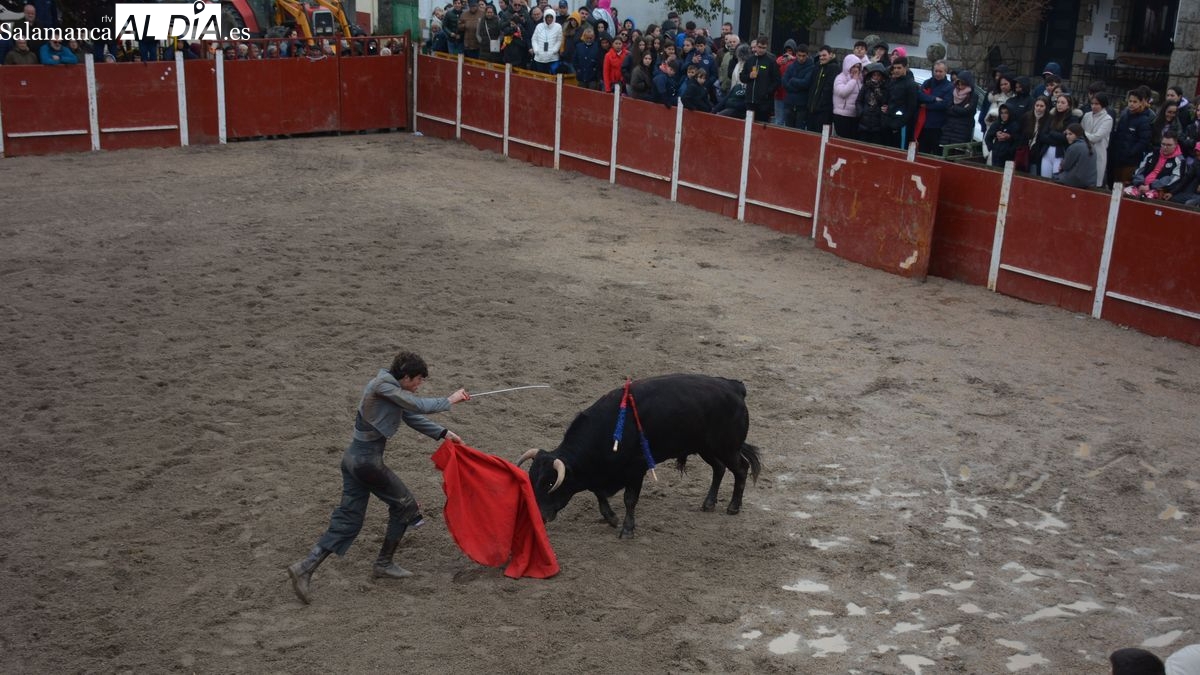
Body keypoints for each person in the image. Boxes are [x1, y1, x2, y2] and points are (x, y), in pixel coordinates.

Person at [287, 352, 471, 604]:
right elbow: (417, 406)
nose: (419, 385)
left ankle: (305, 567)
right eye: (418, 379)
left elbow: (409, 415)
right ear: (406, 377)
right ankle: (383, 563)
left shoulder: (387, 387)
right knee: (405, 505)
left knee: (349, 519)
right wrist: (450, 400)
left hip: (354, 460)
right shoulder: (383, 386)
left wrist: (444, 433)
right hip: (367, 463)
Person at [1109, 89, 1154, 184]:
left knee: (1125, 185)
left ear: (1141, 103)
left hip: (1131, 162)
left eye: (1135, 102)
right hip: (1118, 158)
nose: (1131, 104)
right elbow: (1118, 135)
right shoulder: (1124, 116)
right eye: (1130, 101)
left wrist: (1130, 153)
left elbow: (1143, 141)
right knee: (1115, 184)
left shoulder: (1144, 120)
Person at [1124, 130, 1185, 200]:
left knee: (1144, 199)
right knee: (1122, 194)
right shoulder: (1153, 153)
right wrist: (1140, 184)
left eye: (1169, 145)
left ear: (1176, 145)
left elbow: (1172, 179)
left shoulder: (1180, 161)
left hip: (1157, 191)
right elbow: (1140, 170)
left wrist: (1150, 186)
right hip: (1140, 186)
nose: (1165, 147)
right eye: (1163, 144)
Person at [882, 55, 919, 149]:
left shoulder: (911, 85)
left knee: (900, 151)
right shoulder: (892, 83)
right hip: (889, 124)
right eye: (894, 68)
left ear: (905, 68)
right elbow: (887, 101)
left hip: (903, 126)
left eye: (899, 68)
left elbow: (912, 108)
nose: (896, 70)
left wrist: (899, 124)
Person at [917, 60, 953, 154]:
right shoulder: (927, 83)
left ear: (945, 72)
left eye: (940, 71)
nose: (937, 74)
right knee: (922, 153)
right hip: (924, 125)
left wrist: (927, 105)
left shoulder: (949, 86)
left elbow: (944, 104)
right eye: (936, 71)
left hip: (939, 127)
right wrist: (934, 99)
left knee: (937, 153)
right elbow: (920, 96)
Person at [740, 36, 778, 123]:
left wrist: (767, 92)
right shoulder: (750, 60)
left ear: (766, 47)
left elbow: (777, 80)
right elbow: (742, 77)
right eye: (759, 47)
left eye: (764, 48)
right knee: (749, 125)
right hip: (750, 101)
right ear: (756, 46)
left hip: (764, 102)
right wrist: (749, 76)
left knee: (762, 126)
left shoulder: (771, 61)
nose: (761, 50)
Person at [1082, 92, 1114, 187]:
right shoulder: (1087, 115)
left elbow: (1095, 138)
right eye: (1092, 104)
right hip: (1084, 151)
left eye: (1097, 104)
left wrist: (1082, 133)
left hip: (1098, 153)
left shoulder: (1108, 119)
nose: (1094, 106)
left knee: (1095, 182)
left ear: (1103, 105)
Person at [940, 69, 978, 147]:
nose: (960, 87)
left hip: (962, 130)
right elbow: (948, 108)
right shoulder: (953, 92)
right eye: (958, 84)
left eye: (962, 84)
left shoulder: (973, 96)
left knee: (958, 150)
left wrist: (954, 107)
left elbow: (967, 111)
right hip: (949, 129)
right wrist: (959, 110)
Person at [1053, 123, 1097, 188]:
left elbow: (1066, 166)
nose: (1067, 136)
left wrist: (1061, 165)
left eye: (1070, 134)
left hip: (1075, 180)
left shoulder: (1074, 147)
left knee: (1055, 176)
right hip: (1090, 181)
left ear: (1077, 134)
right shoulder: (1091, 146)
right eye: (1066, 134)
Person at [781, 43, 814, 130]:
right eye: (799, 55)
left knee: (799, 131)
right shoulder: (791, 66)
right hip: (789, 103)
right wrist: (797, 86)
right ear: (796, 55)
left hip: (802, 105)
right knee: (788, 130)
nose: (801, 58)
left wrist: (792, 81)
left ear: (807, 55)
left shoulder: (811, 67)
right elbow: (784, 81)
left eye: (803, 56)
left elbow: (806, 83)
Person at [855, 61, 889, 145]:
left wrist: (878, 93)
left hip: (877, 124)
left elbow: (885, 103)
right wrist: (861, 112)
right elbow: (859, 101)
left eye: (878, 75)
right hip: (864, 122)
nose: (876, 77)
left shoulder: (885, 88)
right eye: (874, 75)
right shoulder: (866, 86)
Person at [806, 45, 838, 132]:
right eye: (820, 56)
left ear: (830, 55)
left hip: (824, 111)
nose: (821, 58)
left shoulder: (834, 68)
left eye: (824, 55)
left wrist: (821, 104)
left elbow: (829, 88)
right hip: (812, 109)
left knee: (822, 136)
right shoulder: (817, 67)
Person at [831, 53, 862, 139]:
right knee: (843, 139)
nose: (856, 69)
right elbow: (843, 93)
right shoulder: (840, 78)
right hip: (842, 115)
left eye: (858, 67)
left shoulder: (859, 79)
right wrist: (853, 80)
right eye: (853, 66)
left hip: (854, 115)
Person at [985, 103, 1021, 167]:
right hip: (996, 155)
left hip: (1008, 158)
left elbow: (1018, 141)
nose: (1003, 115)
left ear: (1010, 113)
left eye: (1006, 113)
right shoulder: (997, 124)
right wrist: (992, 148)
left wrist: (1009, 137)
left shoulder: (1015, 125)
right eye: (1002, 113)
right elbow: (988, 137)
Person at [530, 8, 562, 73]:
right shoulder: (539, 26)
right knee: (540, 76)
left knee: (551, 77)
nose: (549, 19)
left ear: (554, 17)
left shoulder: (558, 27)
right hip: (539, 58)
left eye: (551, 17)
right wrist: (536, 49)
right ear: (545, 17)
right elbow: (534, 39)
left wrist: (555, 50)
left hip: (553, 58)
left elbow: (559, 40)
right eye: (548, 17)